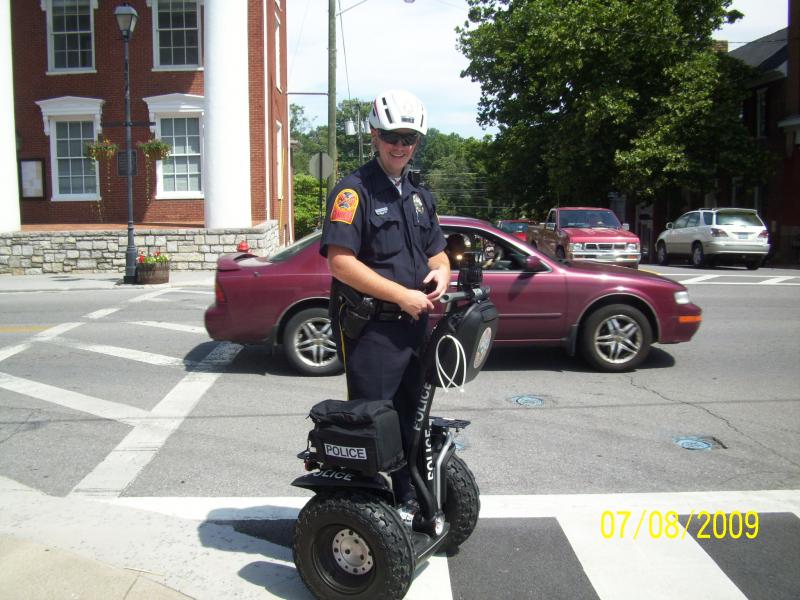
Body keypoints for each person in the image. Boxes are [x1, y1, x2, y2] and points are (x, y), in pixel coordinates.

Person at [319, 90, 450, 511]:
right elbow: (341, 264)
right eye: (392, 136)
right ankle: (369, 510)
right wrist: (402, 295)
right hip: (372, 330)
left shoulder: (418, 195)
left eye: (409, 138)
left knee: (413, 416)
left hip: (415, 326)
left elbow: (438, 252)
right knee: (373, 423)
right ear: (374, 135)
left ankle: (408, 494)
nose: (400, 146)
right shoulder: (353, 193)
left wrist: (442, 273)